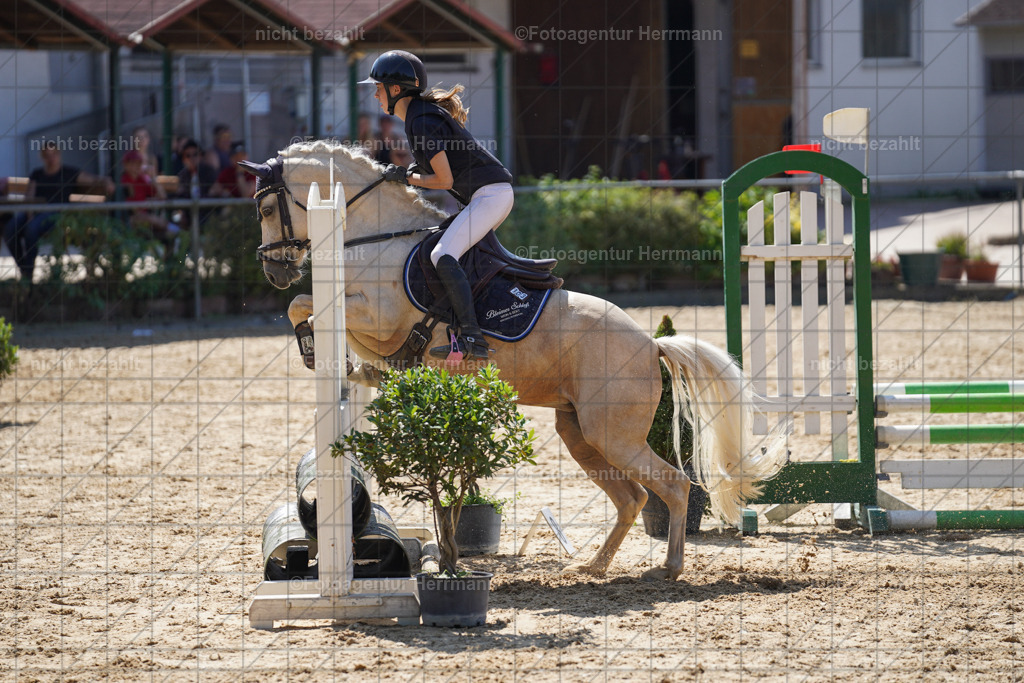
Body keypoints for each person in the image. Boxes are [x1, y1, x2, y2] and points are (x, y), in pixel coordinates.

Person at [360, 50, 514, 361]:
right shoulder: (418, 117)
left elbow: (443, 181)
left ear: (395, 89)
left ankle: (474, 339)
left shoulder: (422, 121)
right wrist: (409, 174)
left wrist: (407, 177)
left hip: (491, 195)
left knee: (442, 254)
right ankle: (461, 329)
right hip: (486, 195)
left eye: (378, 88)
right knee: (445, 250)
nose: (375, 95)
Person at [2, 141, 113, 282]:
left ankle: (28, 275)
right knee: (11, 228)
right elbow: (29, 197)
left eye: (53, 154)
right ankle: (24, 268)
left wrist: (106, 181)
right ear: (42, 157)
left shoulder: (69, 173)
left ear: (59, 155)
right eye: (47, 155)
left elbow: (93, 179)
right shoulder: (37, 174)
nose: (51, 158)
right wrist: (29, 213)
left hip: (56, 215)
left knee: (31, 229)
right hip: (35, 211)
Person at [121, 150, 179, 255]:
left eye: (138, 164)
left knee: (168, 235)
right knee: (147, 218)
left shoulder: (142, 180)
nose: (136, 167)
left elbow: (162, 197)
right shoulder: (123, 180)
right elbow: (133, 209)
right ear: (125, 165)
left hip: (147, 223)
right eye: (132, 163)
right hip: (127, 221)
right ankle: (177, 230)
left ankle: (169, 264)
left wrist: (153, 177)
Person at [175, 139, 218, 224]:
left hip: (208, 214)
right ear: (183, 160)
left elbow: (213, 193)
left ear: (201, 156)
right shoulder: (183, 176)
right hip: (189, 215)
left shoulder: (209, 172)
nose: (192, 158)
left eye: (195, 155)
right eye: (188, 156)